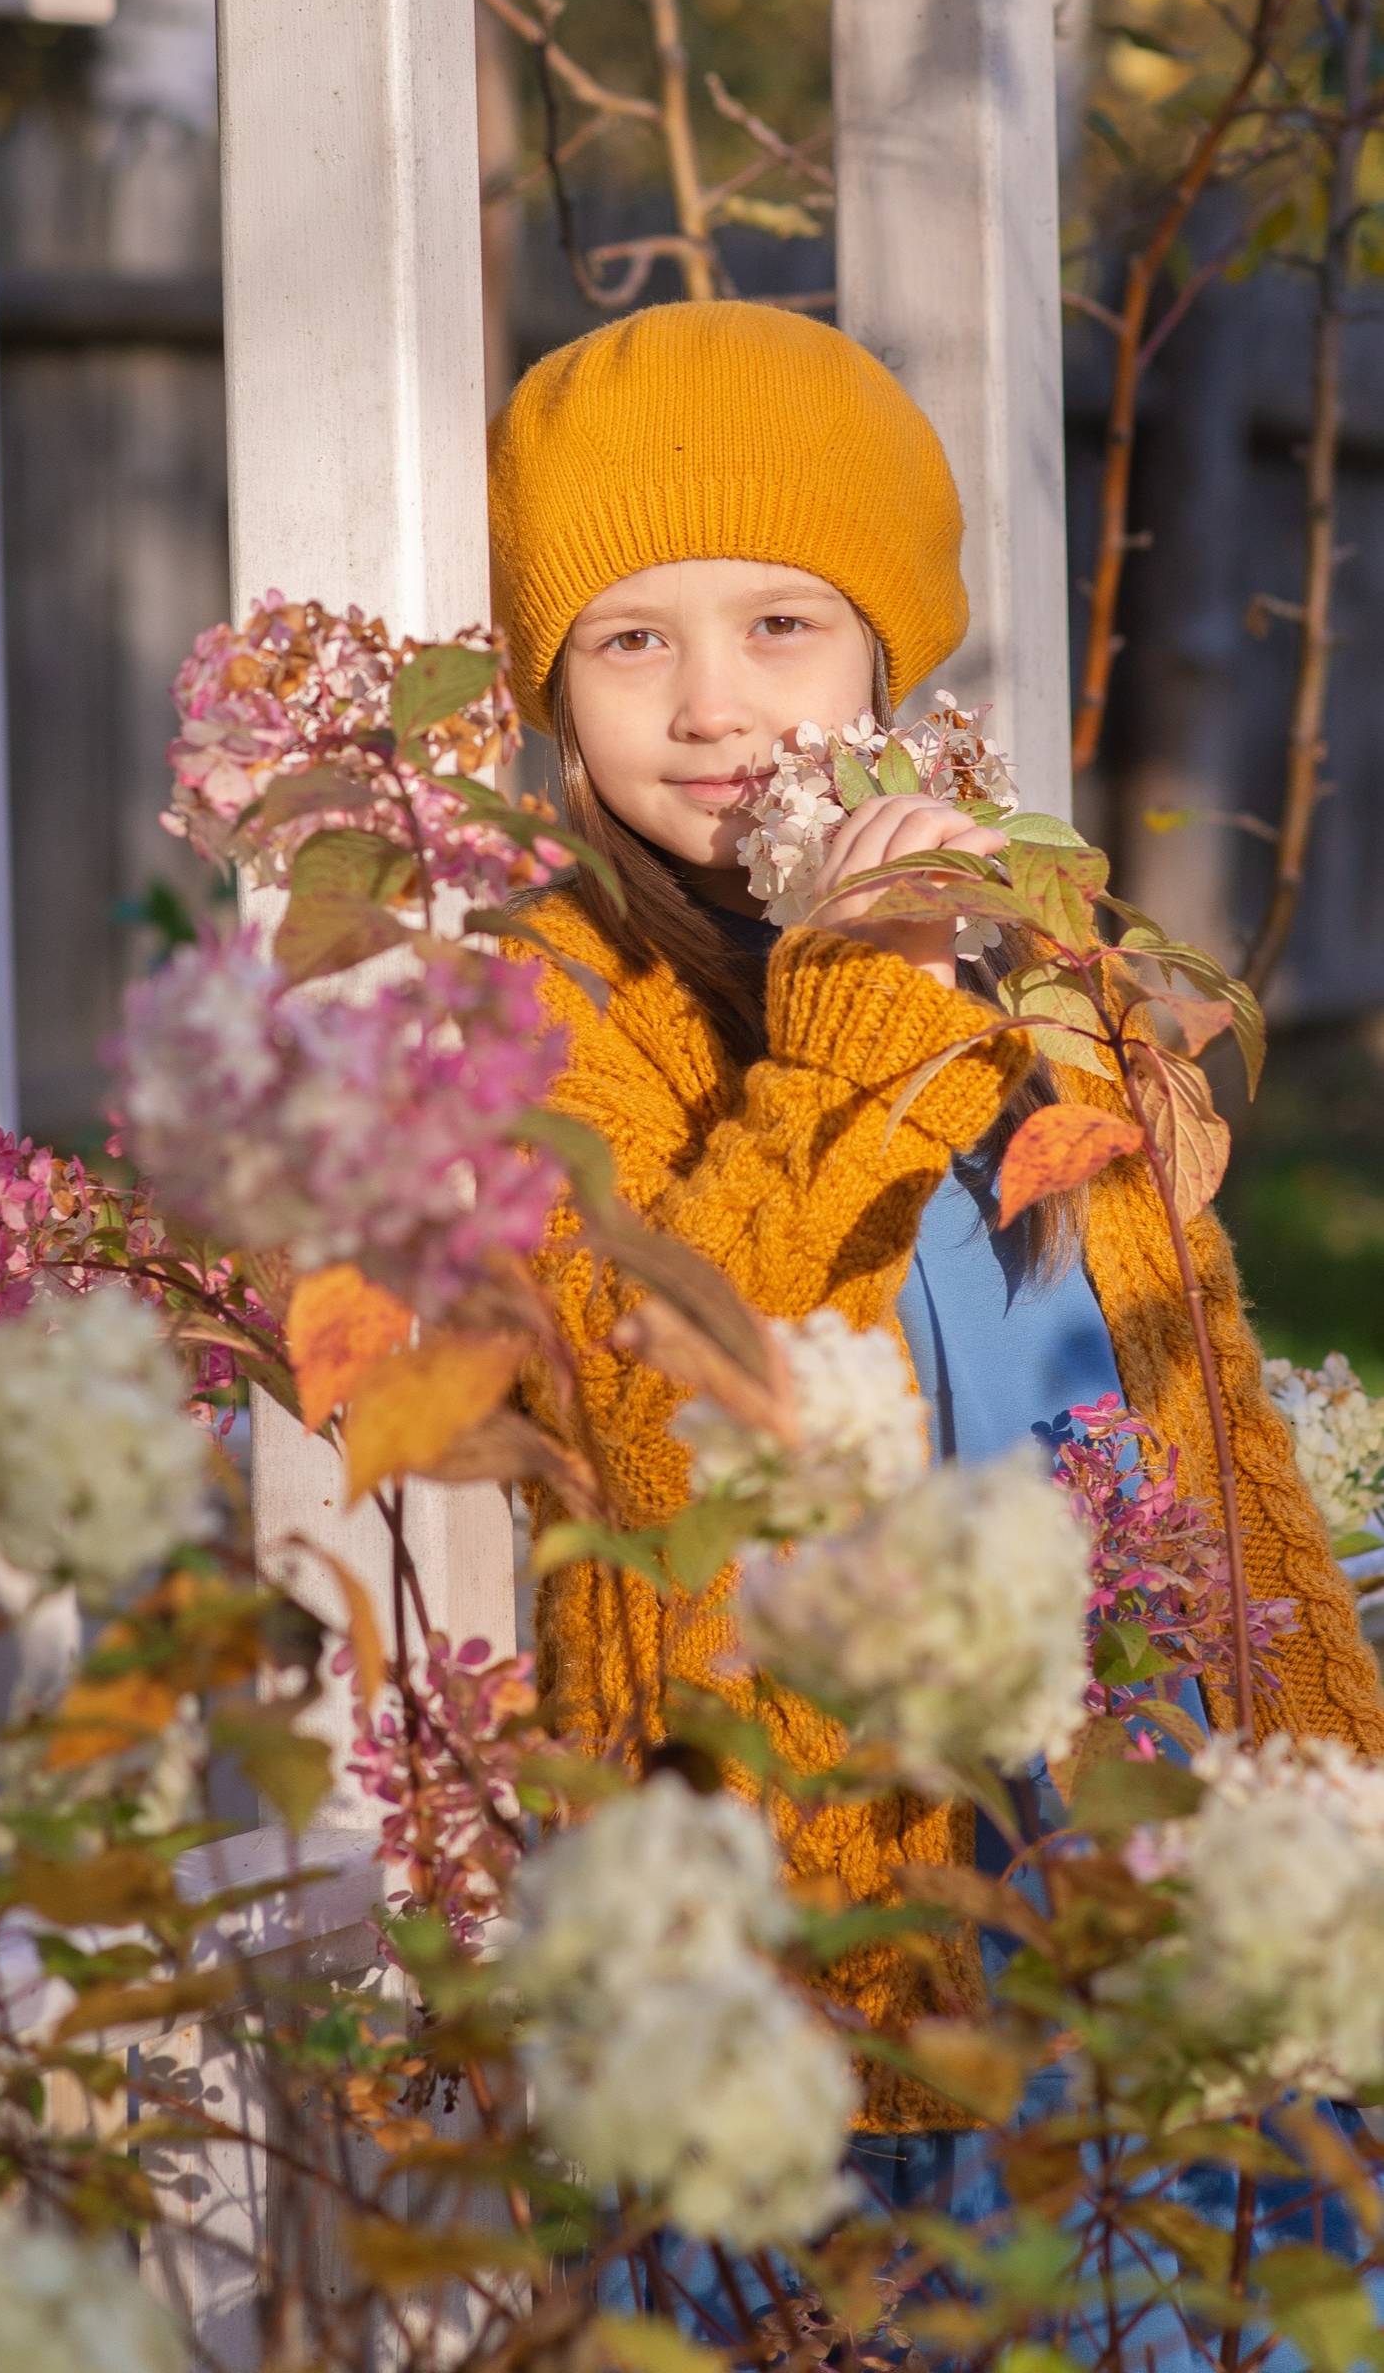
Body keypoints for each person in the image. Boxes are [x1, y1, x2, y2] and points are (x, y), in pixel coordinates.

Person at [485, 299, 1384, 2344]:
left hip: (1135, 1874)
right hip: (811, 1972)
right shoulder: (548, 1009)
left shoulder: (1021, 951)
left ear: (887, 644)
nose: (716, 705)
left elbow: (1186, 1406)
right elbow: (659, 1409)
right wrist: (836, 1012)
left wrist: (1318, 1766)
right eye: (632, 637)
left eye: (780, 623)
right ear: (550, 676)